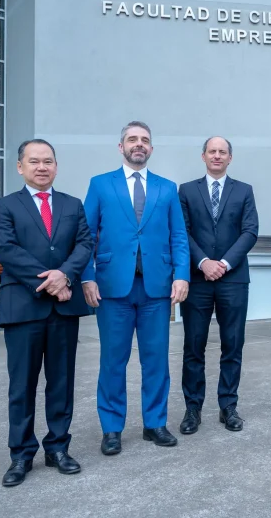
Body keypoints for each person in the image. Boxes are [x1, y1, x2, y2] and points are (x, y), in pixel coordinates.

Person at [81, 121, 190, 453]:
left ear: (151, 148)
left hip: (156, 288)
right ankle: (112, 428)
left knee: (156, 360)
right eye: (132, 139)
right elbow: (86, 236)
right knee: (113, 360)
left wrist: (182, 275)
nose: (138, 144)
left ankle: (155, 423)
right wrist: (87, 276)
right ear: (121, 147)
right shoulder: (100, 184)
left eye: (144, 140)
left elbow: (178, 236)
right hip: (113, 288)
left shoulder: (167, 188)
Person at [0, 139, 93, 487]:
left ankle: (58, 448)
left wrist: (65, 274)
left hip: (64, 308)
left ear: (56, 167)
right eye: (34, 161)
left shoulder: (72, 205)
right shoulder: (4, 206)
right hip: (23, 307)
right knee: (22, 385)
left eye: (48, 161)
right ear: (20, 167)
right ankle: (21, 455)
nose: (42, 167)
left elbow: (85, 244)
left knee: (61, 382)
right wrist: (51, 282)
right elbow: (7, 250)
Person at [178, 136, 259, 434]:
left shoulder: (244, 190)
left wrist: (223, 263)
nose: (217, 156)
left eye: (222, 152)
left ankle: (228, 406)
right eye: (212, 151)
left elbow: (250, 231)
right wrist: (203, 262)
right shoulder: (186, 190)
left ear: (230, 158)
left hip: (233, 279)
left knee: (232, 344)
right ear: (203, 156)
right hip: (198, 279)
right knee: (194, 346)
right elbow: (182, 231)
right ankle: (193, 409)